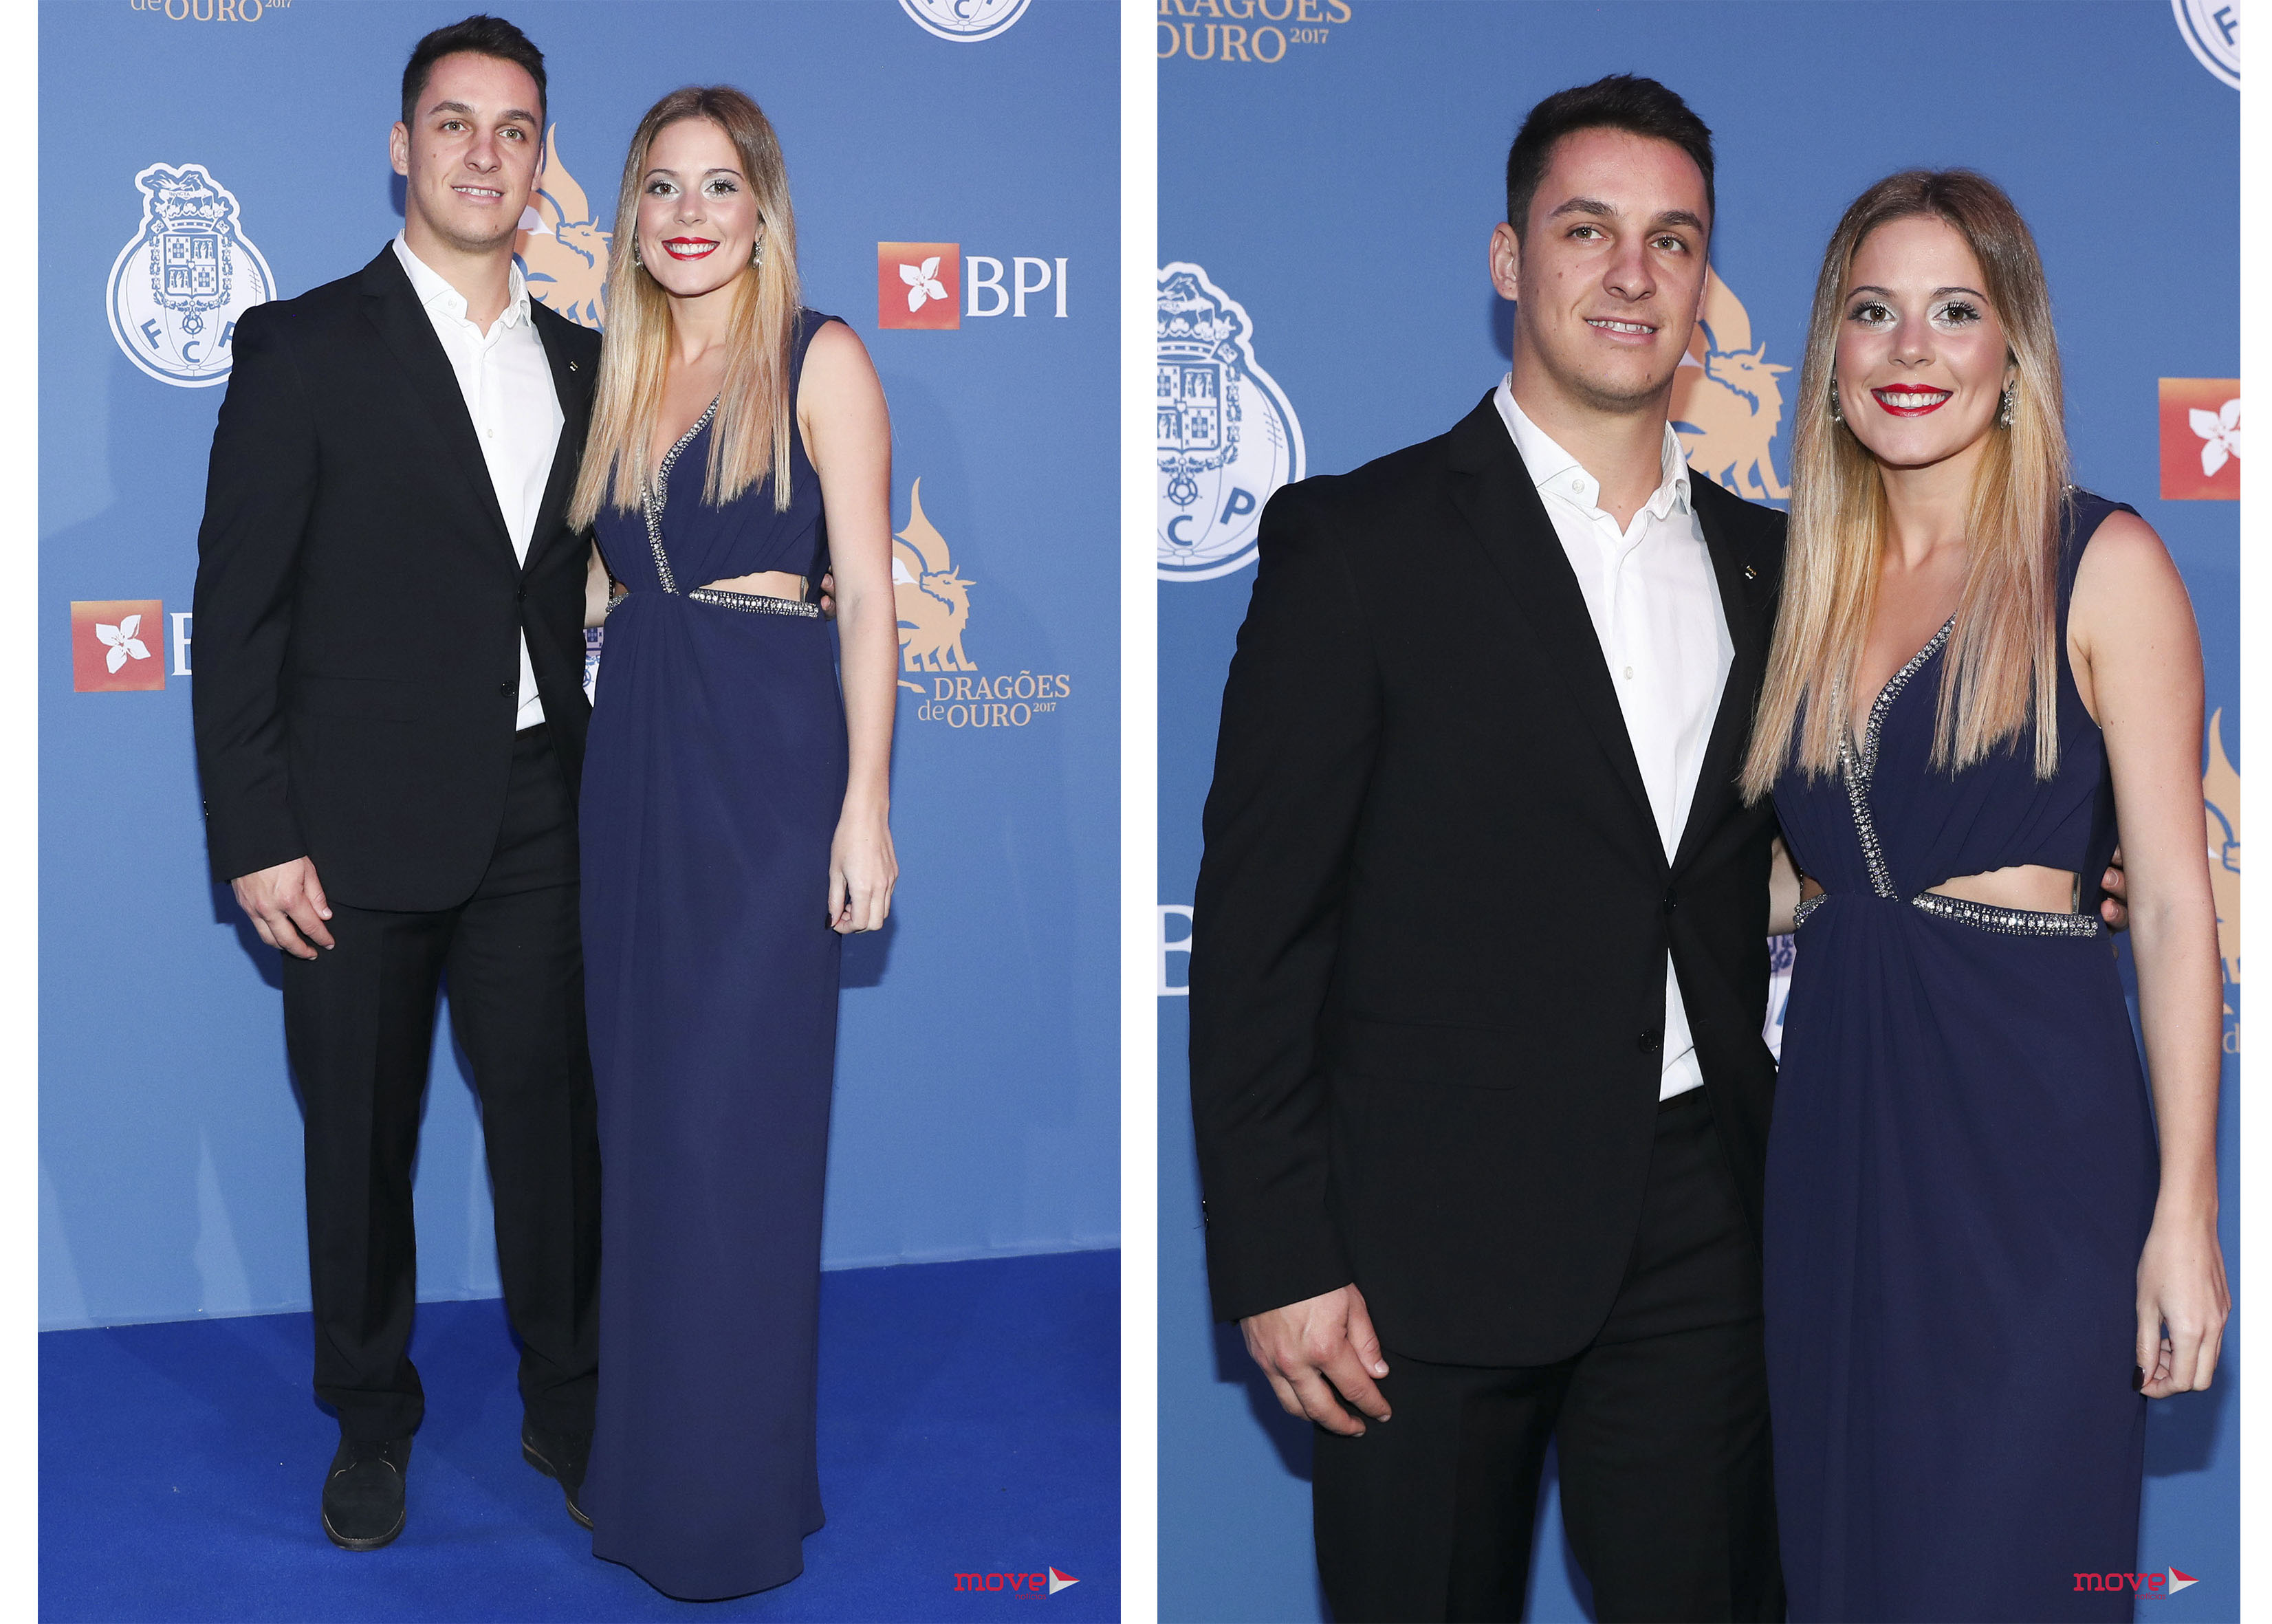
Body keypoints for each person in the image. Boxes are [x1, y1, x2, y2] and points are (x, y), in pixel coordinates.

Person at [1190, 76, 1788, 1621]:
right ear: (1510, 258)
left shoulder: (1777, 562)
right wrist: (1277, 1253)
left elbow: (1857, 817)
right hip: (1419, 1247)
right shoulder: (1356, 543)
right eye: (1587, 230)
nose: (1632, 272)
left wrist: (2080, 864)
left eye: (1672, 240)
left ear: (1704, 283)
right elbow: (1258, 931)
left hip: (1704, 1227)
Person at [1749, 170, 2229, 1623]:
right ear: (1829, 354)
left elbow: (2170, 909)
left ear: (2013, 348)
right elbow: (1799, 880)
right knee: (1847, 1565)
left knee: (2005, 1564)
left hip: (2031, 1162)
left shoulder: (2102, 561)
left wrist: (2185, 1212)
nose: (1911, 350)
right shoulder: (1802, 584)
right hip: (1835, 1151)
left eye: (1954, 311)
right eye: (1872, 313)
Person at [191, 15, 602, 1552]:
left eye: (514, 129)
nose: (484, 153)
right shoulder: (302, 348)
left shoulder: (590, 360)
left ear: (542, 162)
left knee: (556, 1138)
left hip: (543, 807)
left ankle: (574, 1402)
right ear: (400, 145)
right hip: (351, 831)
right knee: (357, 1142)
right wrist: (258, 833)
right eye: (454, 122)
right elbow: (237, 617)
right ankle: (370, 1419)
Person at [567, 86, 898, 1601]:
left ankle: (728, 1506)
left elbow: (870, 601)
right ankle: (655, 1476)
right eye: (661, 186)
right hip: (634, 762)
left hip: (765, 771)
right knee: (647, 1131)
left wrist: (865, 803)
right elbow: (600, 589)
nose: (688, 214)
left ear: (762, 208)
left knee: (731, 1137)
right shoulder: (622, 370)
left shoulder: (820, 356)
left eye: (717, 185)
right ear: (631, 215)